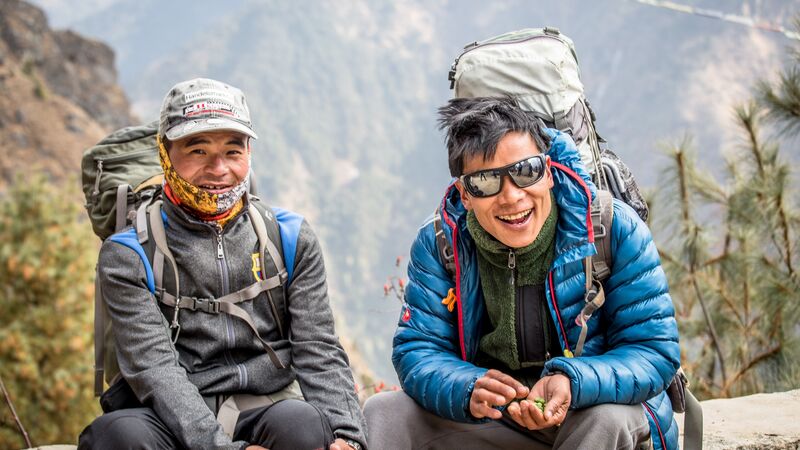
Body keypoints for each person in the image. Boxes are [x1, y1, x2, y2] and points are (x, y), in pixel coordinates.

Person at [364, 96, 681, 450]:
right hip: (502, 419)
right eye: (485, 182)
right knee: (384, 412)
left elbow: (654, 351)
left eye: (525, 171)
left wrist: (573, 382)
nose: (511, 197)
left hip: (590, 416)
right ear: (464, 195)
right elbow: (418, 348)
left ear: (547, 171)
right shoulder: (442, 242)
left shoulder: (611, 228)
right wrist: (468, 386)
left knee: (605, 419)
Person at [78, 78, 367, 450]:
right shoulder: (128, 254)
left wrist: (349, 436)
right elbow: (155, 371)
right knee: (117, 437)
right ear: (165, 154)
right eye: (197, 151)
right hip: (169, 413)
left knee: (303, 425)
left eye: (233, 152)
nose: (218, 169)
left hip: (263, 404)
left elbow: (318, 347)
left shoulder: (289, 237)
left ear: (249, 152)